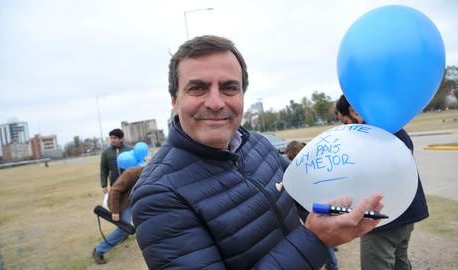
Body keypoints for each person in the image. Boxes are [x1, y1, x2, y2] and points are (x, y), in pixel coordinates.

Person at [131, 35, 384, 269]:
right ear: (174, 99)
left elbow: (308, 188)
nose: (216, 103)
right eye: (197, 88)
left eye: (230, 87)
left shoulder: (256, 144)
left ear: (242, 94)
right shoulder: (158, 194)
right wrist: (314, 240)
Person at [335, 94, 429, 270]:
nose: (347, 128)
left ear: (353, 111)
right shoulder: (392, 125)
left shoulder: (373, 134)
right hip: (407, 212)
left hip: (385, 219)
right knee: (400, 261)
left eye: (345, 122)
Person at [285, 140, 339, 270]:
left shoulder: (297, 170)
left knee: (321, 237)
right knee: (327, 233)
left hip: (308, 209)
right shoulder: (314, 164)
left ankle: (332, 265)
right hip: (320, 206)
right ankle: (333, 256)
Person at [92, 165, 145, 264]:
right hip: (121, 203)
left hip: (133, 200)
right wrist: (115, 211)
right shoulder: (131, 173)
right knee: (123, 229)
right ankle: (99, 250)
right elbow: (115, 190)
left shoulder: (148, 174)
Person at [100, 128, 132, 194]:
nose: (112, 140)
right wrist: (104, 185)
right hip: (114, 185)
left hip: (129, 184)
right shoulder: (106, 153)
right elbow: (103, 170)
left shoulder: (130, 150)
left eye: (115, 138)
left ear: (121, 139)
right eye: (111, 138)